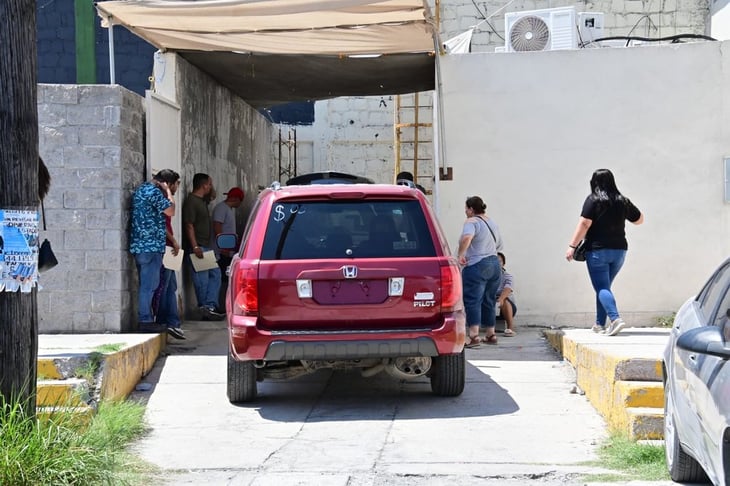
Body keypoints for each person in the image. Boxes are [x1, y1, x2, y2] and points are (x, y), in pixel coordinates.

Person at [566, 169, 644, 336]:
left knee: (601, 287)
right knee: (604, 287)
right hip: (620, 251)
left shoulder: (593, 200)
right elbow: (639, 220)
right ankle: (599, 324)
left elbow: (585, 223)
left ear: (594, 182)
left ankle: (616, 319)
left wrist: (572, 246)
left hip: (598, 251)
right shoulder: (622, 201)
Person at [130, 170, 176, 332]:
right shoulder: (154, 192)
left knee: (147, 284)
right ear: (166, 183)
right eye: (172, 185)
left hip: (141, 245)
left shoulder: (142, 190)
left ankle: (146, 319)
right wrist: (168, 192)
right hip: (150, 247)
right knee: (149, 285)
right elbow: (171, 211)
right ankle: (145, 321)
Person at [457, 196, 504, 347]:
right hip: (494, 264)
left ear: (471, 209)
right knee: (489, 300)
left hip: (477, 264)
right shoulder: (492, 222)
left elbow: (466, 238)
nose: (465, 211)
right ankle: (491, 334)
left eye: (466, 208)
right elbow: (499, 244)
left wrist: (461, 254)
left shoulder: (472, 222)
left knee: (473, 301)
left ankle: (474, 336)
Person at [182, 173, 225, 321]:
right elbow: (189, 225)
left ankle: (210, 305)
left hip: (205, 247)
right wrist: (194, 246)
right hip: (198, 247)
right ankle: (205, 307)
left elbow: (212, 195)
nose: (211, 186)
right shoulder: (192, 201)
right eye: (209, 184)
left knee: (216, 274)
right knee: (202, 280)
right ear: (203, 185)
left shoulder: (202, 201)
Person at [153, 170, 185, 340]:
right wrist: (173, 241)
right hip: (165, 247)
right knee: (165, 287)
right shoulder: (161, 199)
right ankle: (166, 321)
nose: (177, 188)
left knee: (171, 287)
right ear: (169, 183)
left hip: (169, 248)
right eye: (176, 184)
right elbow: (163, 223)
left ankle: (173, 323)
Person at [212, 187, 244, 310]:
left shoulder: (228, 210)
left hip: (228, 251)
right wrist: (222, 245)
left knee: (227, 279)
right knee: (222, 278)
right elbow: (217, 225)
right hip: (221, 251)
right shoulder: (221, 208)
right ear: (236, 199)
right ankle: (219, 305)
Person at [495, 252, 517, 336]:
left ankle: (510, 328)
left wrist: (500, 299)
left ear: (503, 264)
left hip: (506, 305)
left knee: (504, 300)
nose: (497, 263)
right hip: (490, 304)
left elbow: (508, 289)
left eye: (499, 261)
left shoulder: (507, 276)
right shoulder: (486, 277)